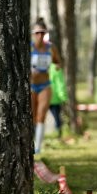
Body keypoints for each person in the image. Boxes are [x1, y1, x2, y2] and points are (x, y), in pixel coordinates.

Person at [30, 19, 63, 154]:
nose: (40, 35)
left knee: (41, 116)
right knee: (31, 116)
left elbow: (58, 62)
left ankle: (37, 148)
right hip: (31, 86)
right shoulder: (29, 47)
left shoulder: (51, 47)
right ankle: (29, 145)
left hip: (45, 85)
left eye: (43, 33)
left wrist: (57, 66)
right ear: (33, 33)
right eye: (37, 33)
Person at [48, 62, 68, 138]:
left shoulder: (38, 66)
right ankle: (58, 136)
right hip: (54, 98)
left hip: (41, 97)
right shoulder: (56, 68)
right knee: (57, 119)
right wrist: (63, 98)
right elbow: (60, 84)